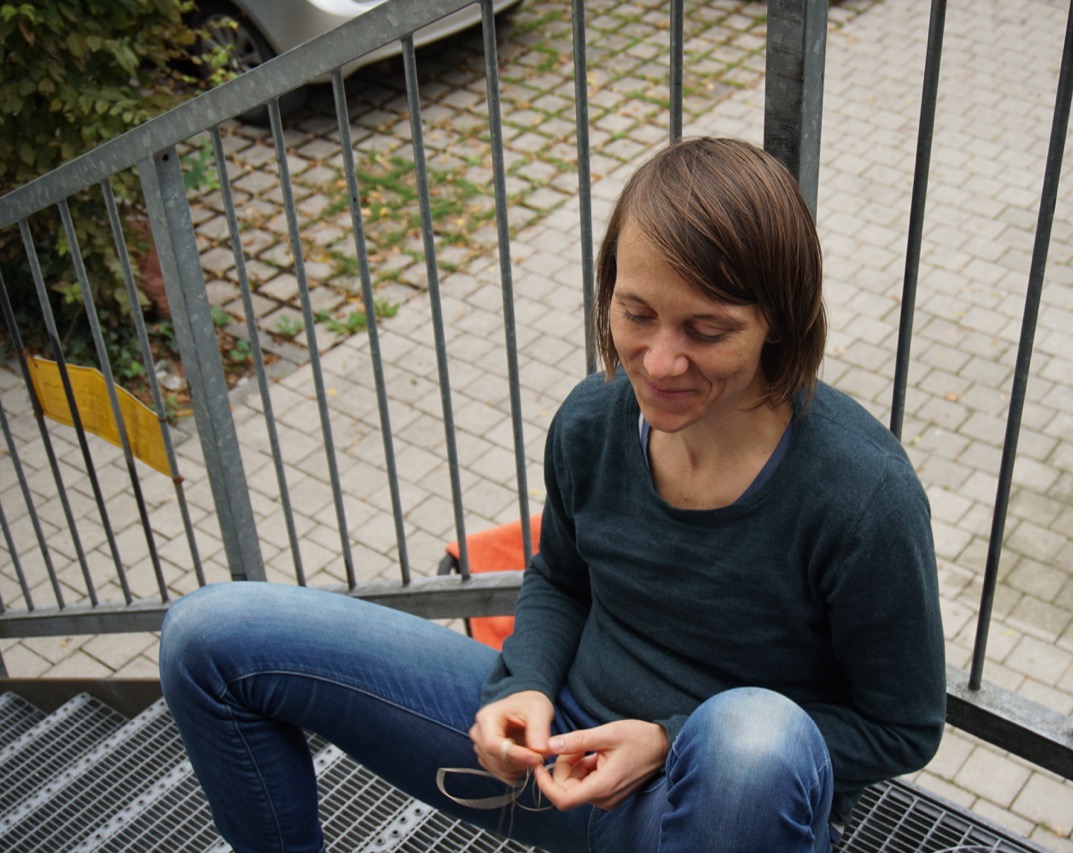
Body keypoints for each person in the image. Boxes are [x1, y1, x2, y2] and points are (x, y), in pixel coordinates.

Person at [159, 136, 946, 853]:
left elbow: (901, 726)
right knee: (210, 633)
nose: (659, 362)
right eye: (636, 313)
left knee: (754, 738)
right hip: (558, 753)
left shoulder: (864, 495)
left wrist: (668, 740)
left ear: (779, 321)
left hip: (714, 808)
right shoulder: (594, 419)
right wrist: (525, 684)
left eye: (706, 331)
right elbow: (561, 578)